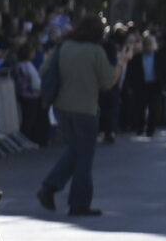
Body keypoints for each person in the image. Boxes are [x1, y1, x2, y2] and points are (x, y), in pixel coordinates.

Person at [36, 17, 119, 217]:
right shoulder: (96, 51)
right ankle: (77, 202)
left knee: (75, 151)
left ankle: (50, 187)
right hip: (86, 109)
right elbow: (107, 82)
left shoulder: (63, 47)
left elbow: (44, 69)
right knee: (84, 158)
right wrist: (120, 65)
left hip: (62, 107)